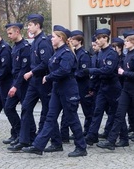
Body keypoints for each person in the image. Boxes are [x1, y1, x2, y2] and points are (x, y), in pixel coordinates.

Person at [22, 25, 87, 157]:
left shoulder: (67, 53)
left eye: (54, 37)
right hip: (57, 90)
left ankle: (81, 147)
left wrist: (48, 77)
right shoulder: (57, 52)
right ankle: (38, 146)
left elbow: (64, 70)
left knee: (72, 119)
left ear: (61, 38)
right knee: (50, 118)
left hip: (68, 90)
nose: (51, 39)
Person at [97, 30, 134, 152]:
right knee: (119, 114)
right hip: (126, 89)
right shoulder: (128, 55)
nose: (125, 43)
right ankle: (111, 141)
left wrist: (123, 73)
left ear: (133, 42)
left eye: (127, 41)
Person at [8, 14, 53, 151]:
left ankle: (55, 141)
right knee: (26, 107)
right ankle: (25, 140)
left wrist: (32, 72)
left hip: (42, 81)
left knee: (48, 111)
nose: (28, 27)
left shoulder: (43, 41)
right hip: (34, 82)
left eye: (30, 25)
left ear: (37, 25)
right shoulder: (35, 41)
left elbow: (46, 63)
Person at [84, 28, 122, 145]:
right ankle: (91, 136)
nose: (97, 41)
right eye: (96, 39)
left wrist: (92, 70)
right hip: (102, 86)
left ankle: (123, 137)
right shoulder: (100, 53)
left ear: (105, 38)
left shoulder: (112, 53)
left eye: (99, 39)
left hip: (113, 86)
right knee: (97, 111)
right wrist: (92, 87)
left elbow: (108, 70)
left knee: (116, 113)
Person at [1, 23, 31, 145]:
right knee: (8, 108)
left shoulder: (25, 47)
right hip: (15, 82)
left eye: (10, 33)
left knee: (26, 110)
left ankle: (28, 136)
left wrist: (15, 86)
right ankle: (19, 133)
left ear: (17, 32)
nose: (8, 36)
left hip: (22, 84)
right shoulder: (15, 47)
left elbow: (23, 70)